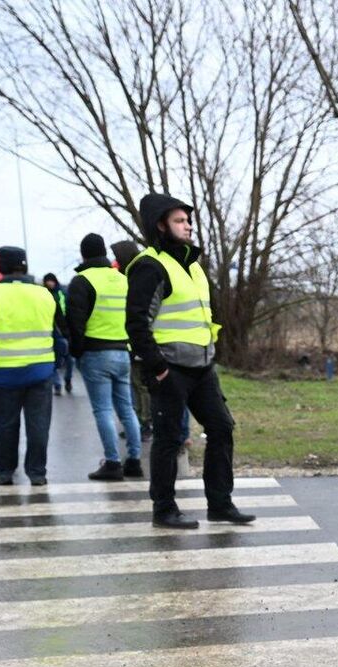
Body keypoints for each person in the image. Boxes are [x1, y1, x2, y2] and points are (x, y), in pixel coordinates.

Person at [127, 192, 252, 529]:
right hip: (170, 368)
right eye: (180, 221)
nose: (188, 226)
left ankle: (221, 504)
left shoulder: (193, 265)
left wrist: (211, 353)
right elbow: (137, 323)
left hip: (202, 366)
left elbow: (203, 315)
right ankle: (164, 510)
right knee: (168, 438)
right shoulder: (149, 266)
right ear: (161, 226)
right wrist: (158, 367)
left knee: (222, 428)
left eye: (188, 220)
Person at [0, 246, 62, 486]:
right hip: (41, 370)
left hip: (5, 372)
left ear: (1, 266)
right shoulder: (45, 294)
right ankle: (37, 473)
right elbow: (61, 332)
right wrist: (56, 363)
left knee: (5, 426)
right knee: (39, 425)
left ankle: (4, 472)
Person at [68, 233, 142, 481]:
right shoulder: (123, 280)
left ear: (84, 254)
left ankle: (112, 463)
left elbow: (75, 324)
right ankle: (134, 460)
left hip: (96, 353)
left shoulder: (82, 281)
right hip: (123, 351)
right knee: (127, 409)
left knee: (102, 410)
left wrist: (77, 353)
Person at [109, 239, 151, 435]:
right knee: (136, 385)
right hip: (132, 340)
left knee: (140, 385)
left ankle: (144, 423)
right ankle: (141, 422)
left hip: (139, 341)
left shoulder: (136, 277)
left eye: (117, 257)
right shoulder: (134, 275)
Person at [41, 271, 76, 395]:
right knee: (53, 360)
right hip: (50, 330)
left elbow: (67, 310)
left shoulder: (62, 293)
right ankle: (57, 384)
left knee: (69, 358)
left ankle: (67, 379)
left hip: (64, 329)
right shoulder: (43, 295)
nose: (48, 283)